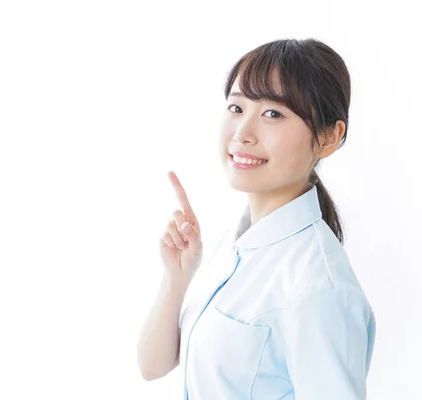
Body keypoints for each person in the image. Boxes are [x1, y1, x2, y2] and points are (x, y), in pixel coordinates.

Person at [136, 38, 376, 399]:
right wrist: (177, 279)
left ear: (329, 137)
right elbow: (152, 367)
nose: (242, 133)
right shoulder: (230, 247)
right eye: (236, 107)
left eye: (273, 114)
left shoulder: (320, 288)